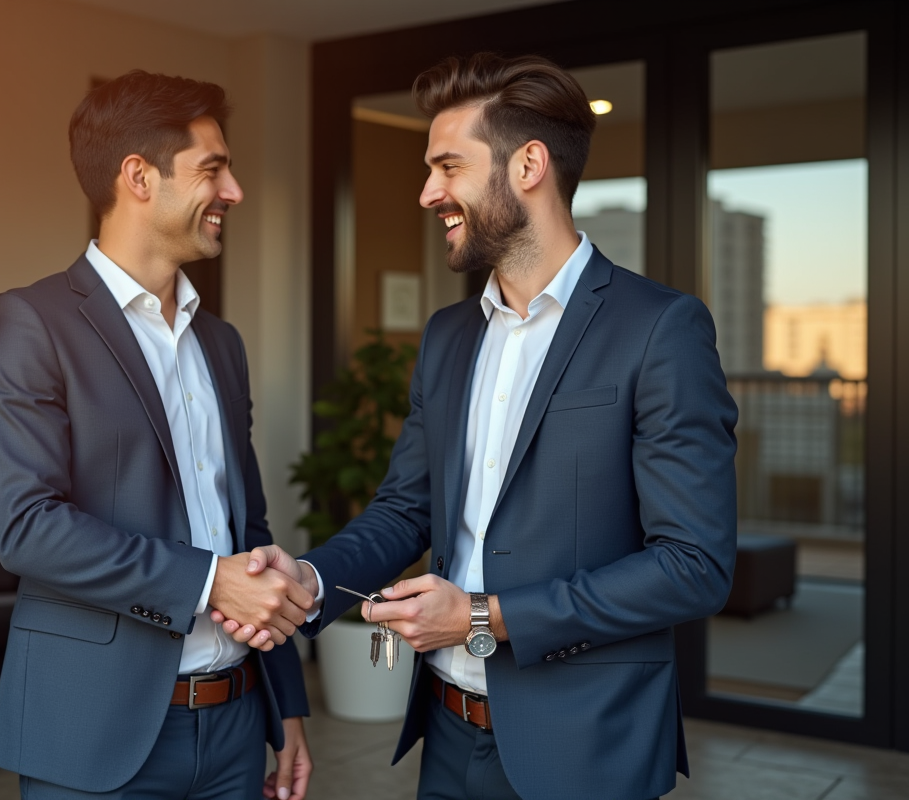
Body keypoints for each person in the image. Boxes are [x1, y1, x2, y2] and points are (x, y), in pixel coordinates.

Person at [216, 53, 738, 800]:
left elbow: (694, 564)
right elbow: (408, 508)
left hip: (588, 747)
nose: (429, 191)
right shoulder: (447, 335)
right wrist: (312, 579)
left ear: (529, 165)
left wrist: (484, 618)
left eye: (448, 166)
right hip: (449, 739)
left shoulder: (660, 330)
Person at [0, 70, 314, 800]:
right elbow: (27, 527)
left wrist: (286, 704)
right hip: (95, 731)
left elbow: (249, 532)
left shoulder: (222, 344)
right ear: (138, 176)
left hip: (233, 726)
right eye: (213, 169)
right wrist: (207, 580)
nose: (234, 192)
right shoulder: (32, 322)